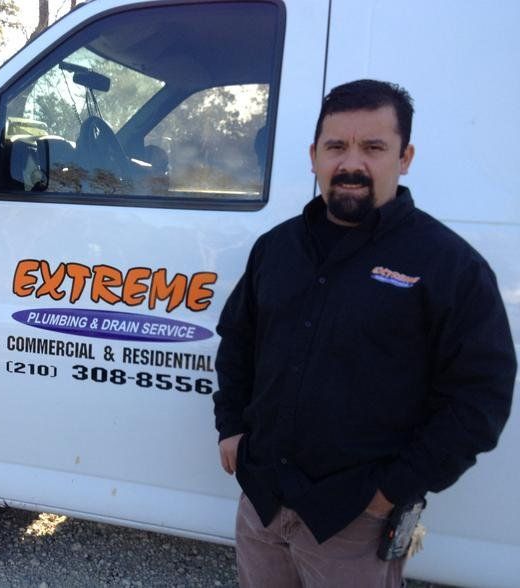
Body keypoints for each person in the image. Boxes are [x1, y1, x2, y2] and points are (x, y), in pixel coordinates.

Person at [213, 79, 516, 587]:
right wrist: (231, 427)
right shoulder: (277, 249)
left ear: (406, 156)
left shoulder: (447, 265)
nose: (351, 164)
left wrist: (393, 490)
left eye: (373, 147)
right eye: (336, 146)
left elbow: (479, 399)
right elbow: (238, 342)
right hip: (261, 502)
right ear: (314, 156)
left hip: (355, 521)